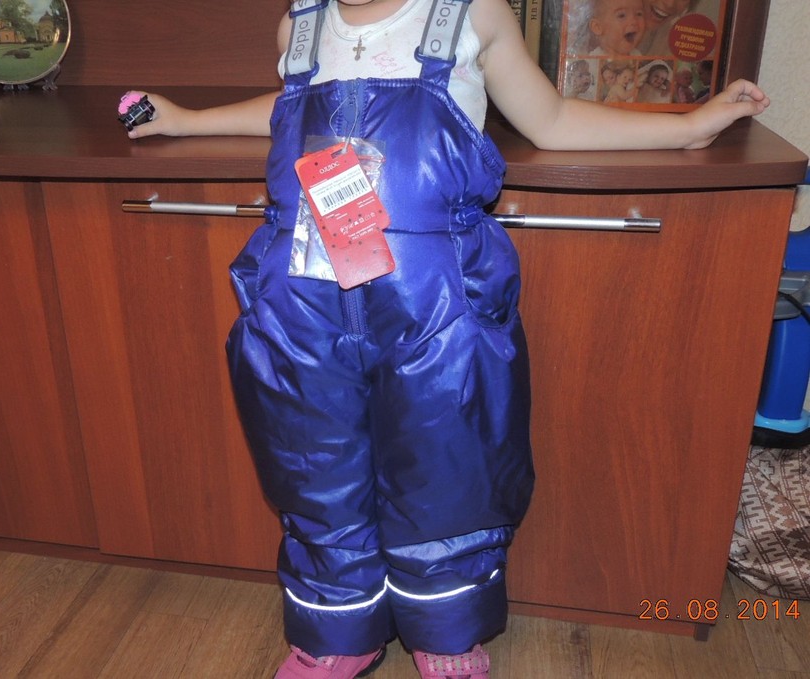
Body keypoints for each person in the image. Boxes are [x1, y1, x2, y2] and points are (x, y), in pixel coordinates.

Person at [124, 1, 768, 677]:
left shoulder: (470, 15)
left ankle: (444, 623)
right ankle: (339, 626)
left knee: (446, 463)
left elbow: (550, 120)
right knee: (313, 465)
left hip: (433, 303)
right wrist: (186, 120)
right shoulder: (300, 25)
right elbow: (289, 106)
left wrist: (688, 127)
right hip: (302, 301)